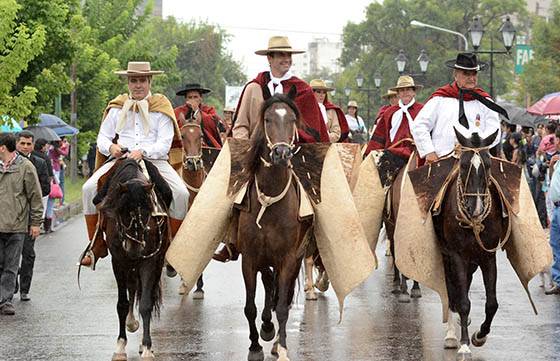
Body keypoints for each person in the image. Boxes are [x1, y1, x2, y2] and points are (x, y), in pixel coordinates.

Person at [79, 61, 189, 269]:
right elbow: (102, 137)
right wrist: (111, 148)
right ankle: (97, 244)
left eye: (141, 80)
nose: (137, 85)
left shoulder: (161, 107)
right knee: (87, 189)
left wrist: (144, 152)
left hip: (154, 159)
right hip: (121, 159)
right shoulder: (116, 108)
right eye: (133, 80)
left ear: (149, 81)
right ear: (128, 83)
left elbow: (164, 143)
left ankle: (172, 247)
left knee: (182, 194)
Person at [411, 53, 508, 163]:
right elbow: (419, 125)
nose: (471, 78)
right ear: (455, 75)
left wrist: (477, 145)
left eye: (474, 74)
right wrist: (429, 151)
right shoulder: (439, 99)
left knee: (512, 178)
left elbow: (494, 130)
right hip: (442, 160)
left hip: (477, 162)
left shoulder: (486, 102)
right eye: (466, 74)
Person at [231, 36, 329, 143]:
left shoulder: (303, 90)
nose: (287, 59)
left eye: (289, 55)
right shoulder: (253, 88)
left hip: (294, 154)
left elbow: (313, 131)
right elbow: (241, 125)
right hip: (256, 154)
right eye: (281, 55)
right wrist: (246, 149)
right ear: (269, 58)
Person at [0, 133, 43, 315]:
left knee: (10, 265)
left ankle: (5, 300)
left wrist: (35, 223)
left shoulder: (25, 167)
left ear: (2, 148)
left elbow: (35, 196)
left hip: (16, 225)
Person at [15, 131, 50, 301]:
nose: (25, 147)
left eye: (29, 144)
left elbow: (46, 187)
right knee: (8, 253)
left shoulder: (40, 163)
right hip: (12, 214)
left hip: (30, 214)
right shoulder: (8, 161)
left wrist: (31, 195)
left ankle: (24, 289)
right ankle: (11, 282)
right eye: (22, 143)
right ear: (16, 143)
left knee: (28, 253)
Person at [174, 83, 222, 148]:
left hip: (206, 147)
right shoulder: (178, 111)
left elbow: (213, 124)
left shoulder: (208, 110)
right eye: (190, 97)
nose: (193, 100)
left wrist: (197, 110)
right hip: (182, 147)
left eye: (195, 97)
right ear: (186, 99)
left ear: (200, 98)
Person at [545, 129, 560, 294]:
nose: (555, 142)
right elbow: (552, 179)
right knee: (555, 245)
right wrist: (551, 166)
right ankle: (558, 281)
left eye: (556, 140)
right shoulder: (556, 159)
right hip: (557, 208)